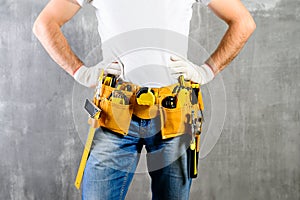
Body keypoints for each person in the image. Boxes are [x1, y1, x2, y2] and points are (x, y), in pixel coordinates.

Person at [33, 0, 256, 199]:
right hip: (115, 112)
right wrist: (81, 72)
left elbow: (243, 22)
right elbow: (45, 24)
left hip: (174, 114)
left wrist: (206, 71)